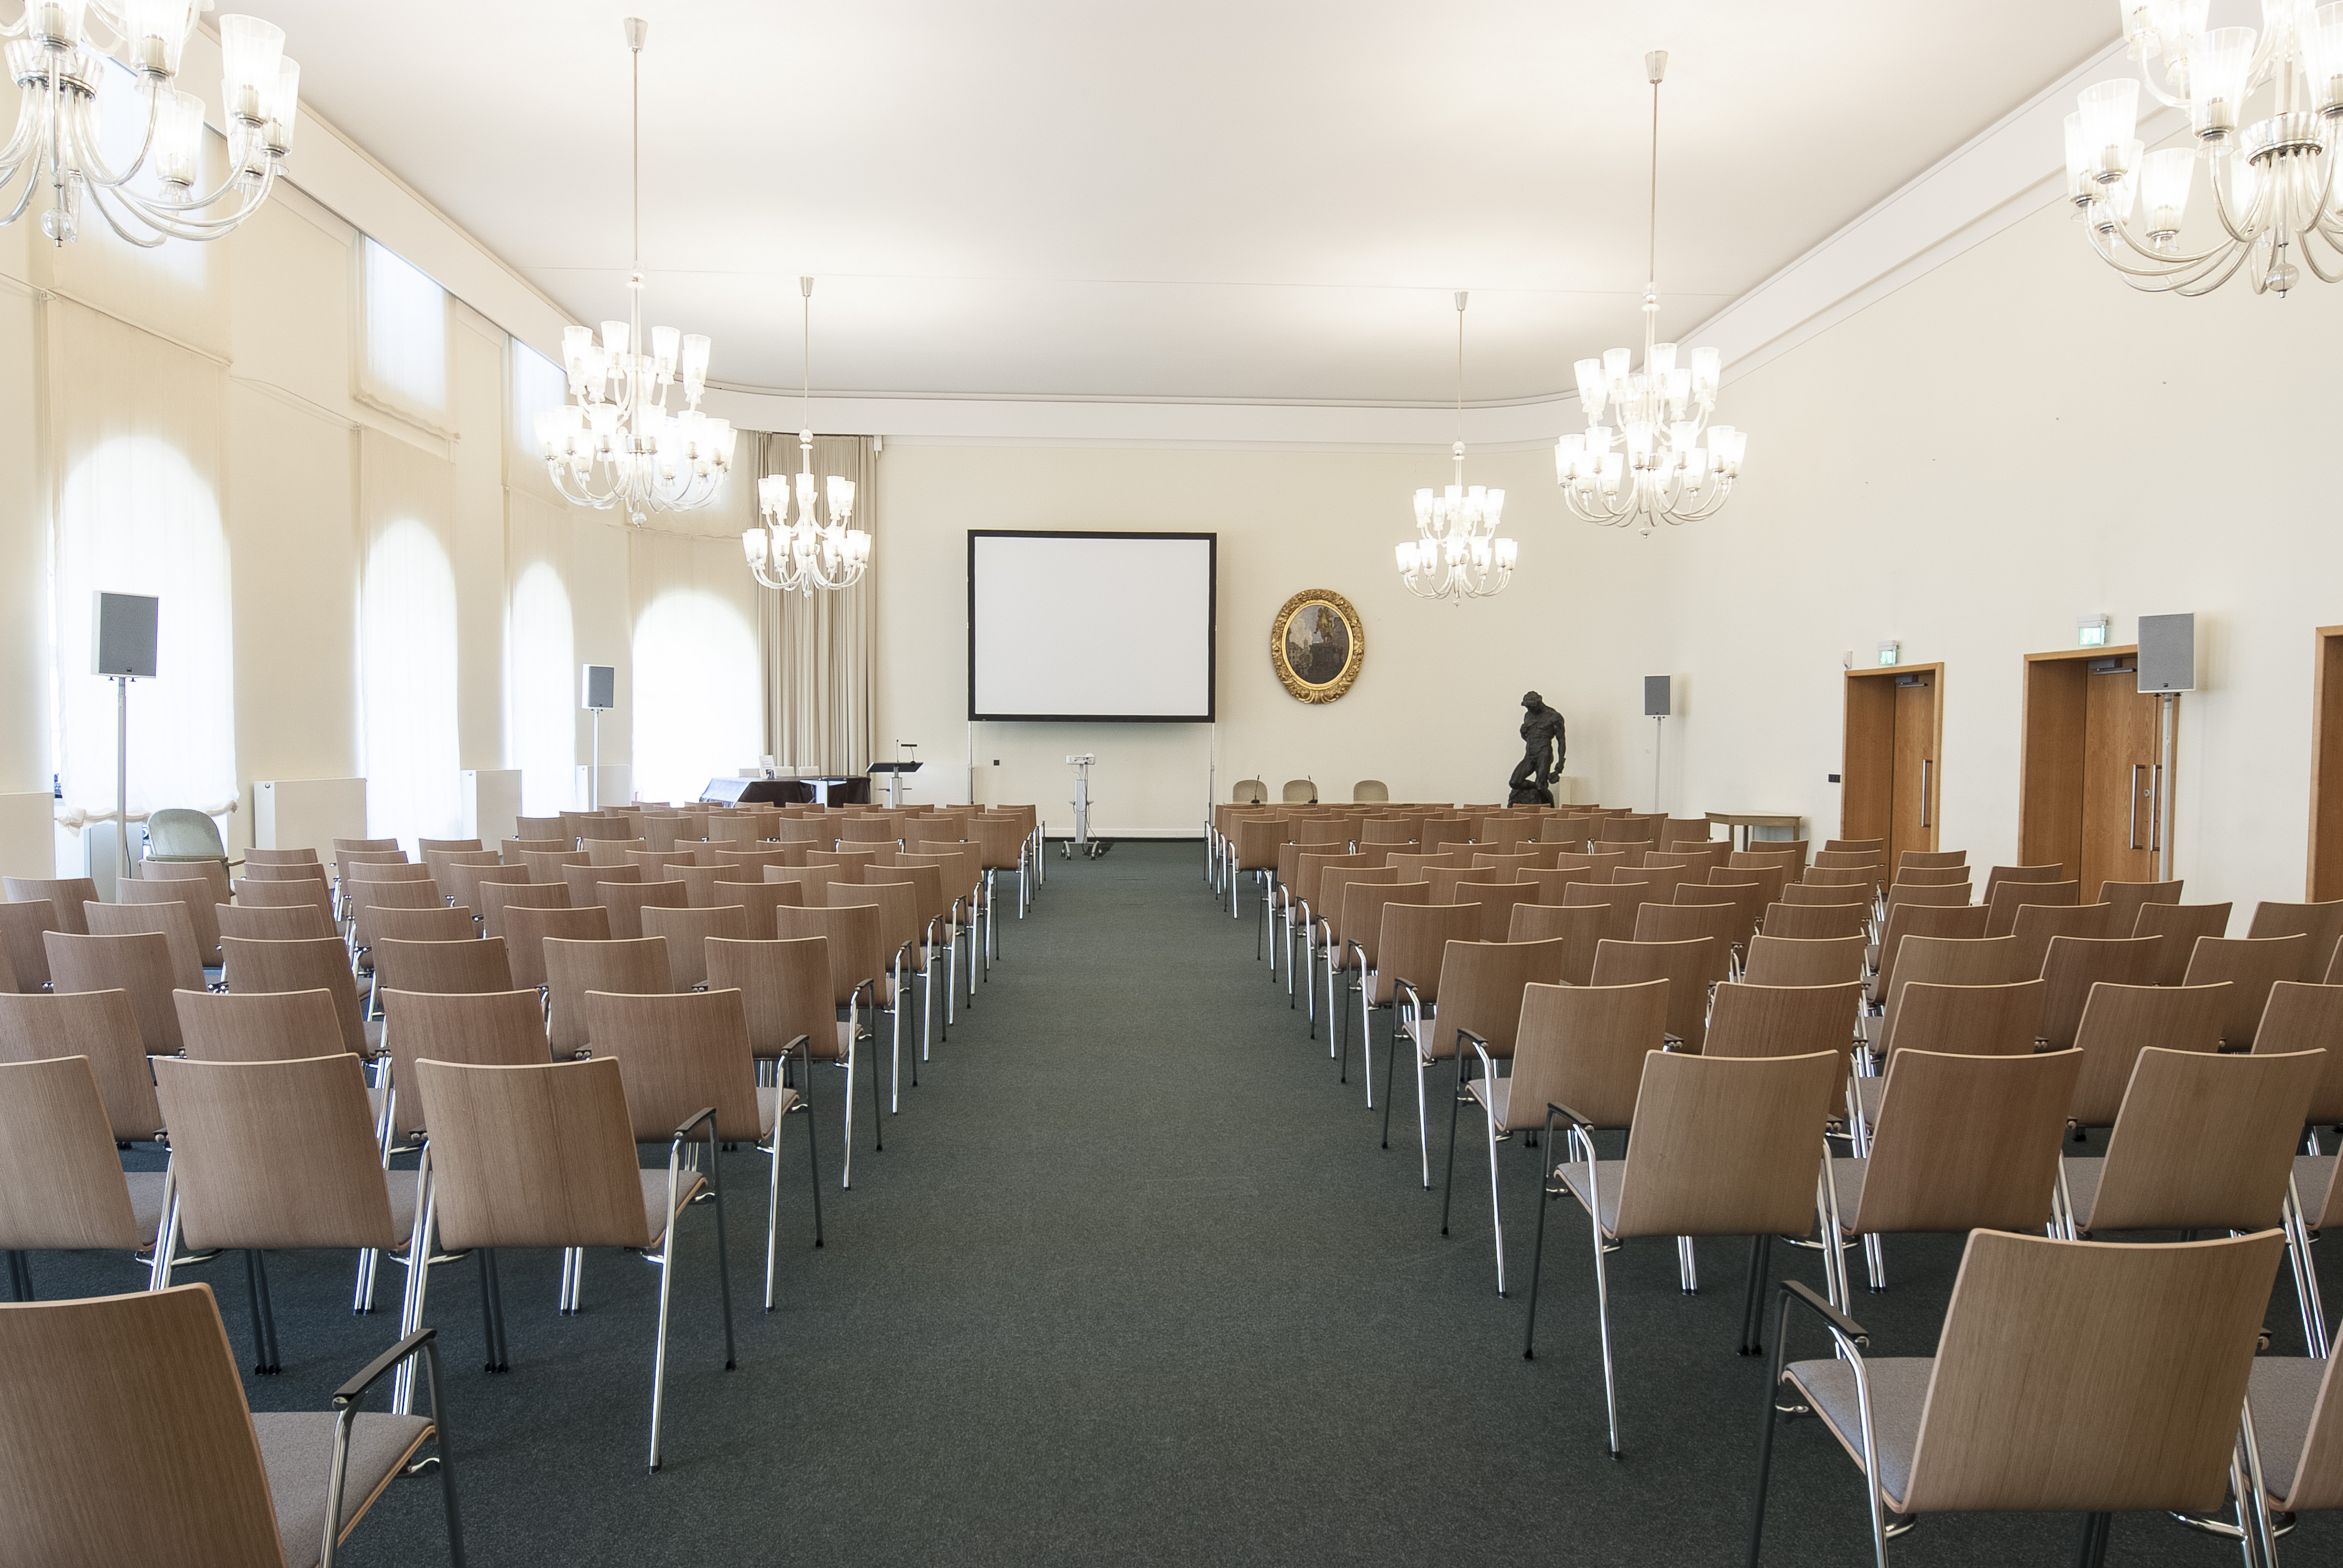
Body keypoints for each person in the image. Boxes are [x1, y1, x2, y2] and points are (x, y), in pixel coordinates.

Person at [1509, 690, 1565, 805]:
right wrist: (1522, 733)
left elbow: (1561, 740)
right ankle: (1539, 786)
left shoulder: (1554, 717)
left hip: (1544, 754)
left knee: (1541, 788)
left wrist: (1560, 764)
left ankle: (1551, 807)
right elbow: (1529, 739)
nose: (1529, 710)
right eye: (1527, 707)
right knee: (1515, 782)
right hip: (1530, 754)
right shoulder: (1528, 716)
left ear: (1538, 704)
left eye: (1530, 707)